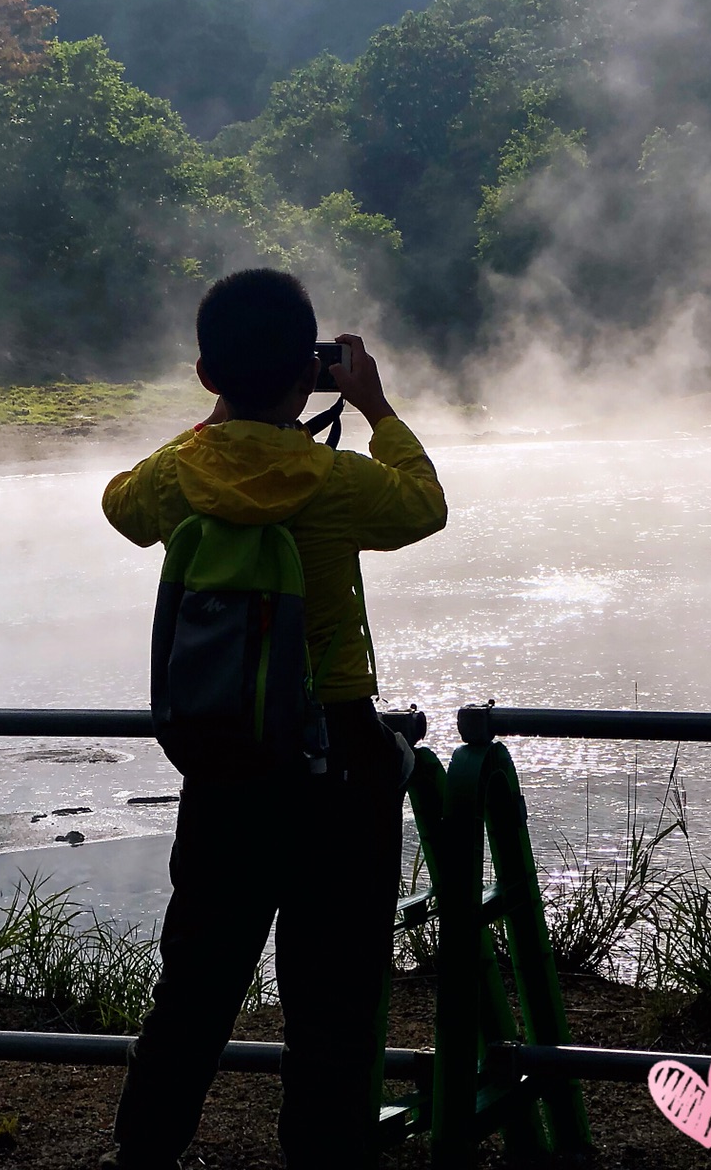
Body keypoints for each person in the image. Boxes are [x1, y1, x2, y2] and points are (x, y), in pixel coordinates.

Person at [99, 267, 447, 1170]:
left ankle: (142, 1154)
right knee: (332, 1002)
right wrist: (374, 406)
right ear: (311, 372)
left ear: (208, 375)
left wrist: (220, 424)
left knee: (197, 986)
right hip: (335, 763)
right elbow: (424, 504)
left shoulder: (181, 476)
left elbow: (120, 504)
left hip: (222, 763)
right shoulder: (334, 483)